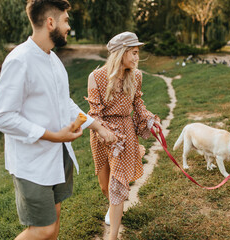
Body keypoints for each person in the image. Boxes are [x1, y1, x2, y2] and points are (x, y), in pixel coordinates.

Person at [0, 1, 115, 239]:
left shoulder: (54, 60)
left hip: (58, 156)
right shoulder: (20, 60)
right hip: (32, 163)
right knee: (43, 229)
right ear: (51, 22)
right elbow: (2, 116)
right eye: (66, 21)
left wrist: (97, 125)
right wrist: (53, 136)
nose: (69, 27)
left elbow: (65, 104)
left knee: (55, 221)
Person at [86, 31, 160, 240]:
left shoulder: (136, 76)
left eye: (137, 53)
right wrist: (104, 131)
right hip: (102, 134)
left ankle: (113, 236)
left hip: (125, 133)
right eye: (134, 53)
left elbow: (138, 104)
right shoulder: (96, 77)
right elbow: (95, 113)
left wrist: (150, 121)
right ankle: (115, 207)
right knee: (104, 185)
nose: (138, 58)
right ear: (121, 53)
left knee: (117, 184)